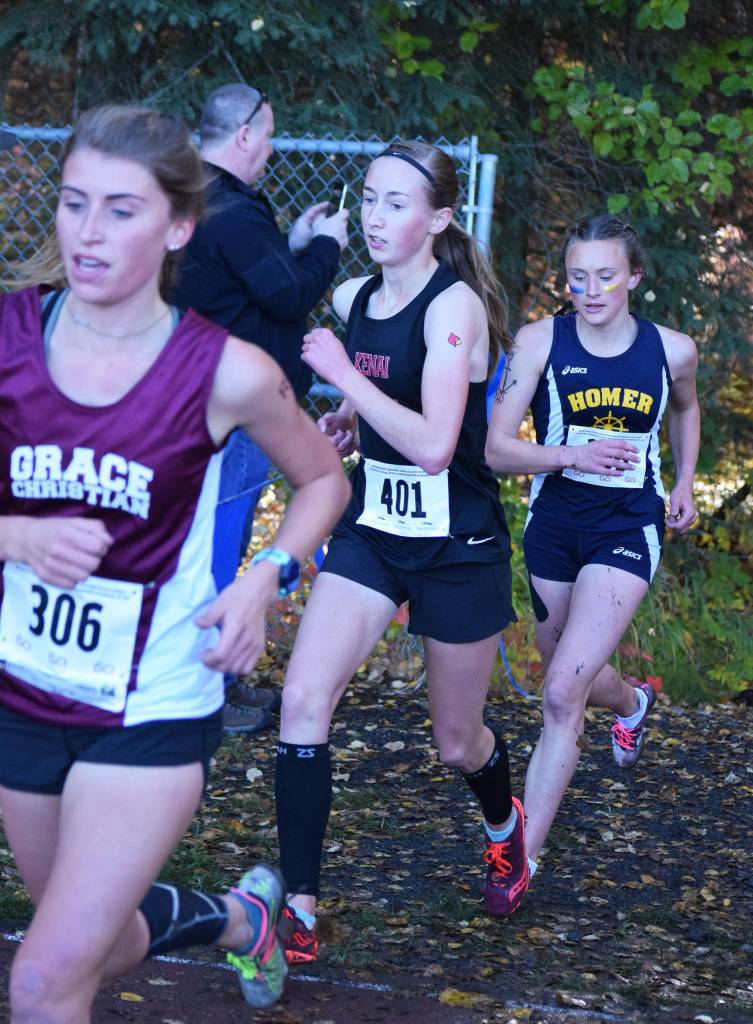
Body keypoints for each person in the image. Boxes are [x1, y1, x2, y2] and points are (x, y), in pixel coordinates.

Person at [0, 104, 350, 1022]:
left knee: (41, 983)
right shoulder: (7, 338)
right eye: (75, 204)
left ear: (179, 227)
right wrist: (16, 537)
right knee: (89, 944)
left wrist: (263, 576)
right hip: (26, 690)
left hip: (151, 703)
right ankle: (238, 919)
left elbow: (322, 483)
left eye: (121, 209)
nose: (88, 231)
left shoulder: (225, 371)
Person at [273, 140, 529, 965]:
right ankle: (300, 908)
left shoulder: (452, 307)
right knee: (302, 701)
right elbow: (391, 414)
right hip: (377, 535)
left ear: (438, 220)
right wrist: (351, 422)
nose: (376, 218)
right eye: (369, 200)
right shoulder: (354, 296)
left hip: (458, 543)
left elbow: (431, 446)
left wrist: (346, 381)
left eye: (395, 204)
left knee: (457, 744)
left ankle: (502, 821)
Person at [485, 214, 699, 880]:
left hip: (627, 525)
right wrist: (572, 453)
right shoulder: (537, 342)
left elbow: (687, 409)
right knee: (566, 680)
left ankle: (520, 859)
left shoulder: (671, 351)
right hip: (553, 525)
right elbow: (495, 449)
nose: (590, 289)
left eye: (605, 276)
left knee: (558, 696)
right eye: (577, 277)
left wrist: (686, 481)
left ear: (633, 276)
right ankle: (633, 703)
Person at [171, 83, 349, 735]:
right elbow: (288, 295)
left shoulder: (201, 195)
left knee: (209, 538)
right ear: (244, 134)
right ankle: (204, 694)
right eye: (268, 133)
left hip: (202, 399)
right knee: (220, 544)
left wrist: (295, 240)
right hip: (235, 412)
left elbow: (257, 280)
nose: (271, 147)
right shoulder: (233, 212)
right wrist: (327, 242)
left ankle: (208, 681)